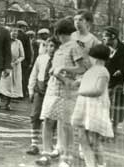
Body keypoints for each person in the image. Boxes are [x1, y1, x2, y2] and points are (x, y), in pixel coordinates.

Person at [35, 18, 86, 167]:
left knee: (65, 125)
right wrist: (54, 71)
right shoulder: (60, 48)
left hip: (67, 91)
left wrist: (64, 70)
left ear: (59, 33)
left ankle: (66, 158)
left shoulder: (75, 47)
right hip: (52, 89)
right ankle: (46, 154)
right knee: (47, 121)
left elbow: (81, 68)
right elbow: (55, 68)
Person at [71, 44, 114, 167]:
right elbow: (86, 79)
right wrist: (79, 82)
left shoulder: (103, 71)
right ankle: (90, 164)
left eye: (90, 57)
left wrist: (81, 91)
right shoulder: (91, 70)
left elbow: (98, 90)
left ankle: (101, 164)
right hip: (84, 106)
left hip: (96, 107)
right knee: (82, 138)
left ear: (96, 58)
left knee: (93, 140)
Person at [26, 37, 60, 156]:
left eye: (54, 47)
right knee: (35, 115)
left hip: (52, 92)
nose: (51, 49)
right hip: (39, 91)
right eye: (49, 46)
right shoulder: (41, 58)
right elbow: (34, 74)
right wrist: (30, 90)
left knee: (52, 118)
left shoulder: (59, 61)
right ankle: (34, 144)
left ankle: (50, 144)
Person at [102, 26, 124, 133]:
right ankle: (105, 129)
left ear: (113, 37)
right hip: (106, 83)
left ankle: (113, 130)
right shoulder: (104, 49)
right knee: (105, 106)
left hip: (120, 84)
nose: (103, 39)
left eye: (105, 37)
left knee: (117, 106)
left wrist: (121, 70)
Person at [0, 27, 25, 110]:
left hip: (15, 67)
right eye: (13, 34)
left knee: (11, 86)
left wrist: (16, 62)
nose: (14, 35)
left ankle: (7, 104)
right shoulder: (4, 41)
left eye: (16, 34)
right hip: (4, 65)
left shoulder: (19, 42)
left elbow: (22, 56)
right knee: (1, 84)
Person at [16, 20, 31, 98]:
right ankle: (22, 94)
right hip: (23, 60)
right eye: (25, 27)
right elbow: (28, 51)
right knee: (23, 77)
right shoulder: (25, 36)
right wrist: (29, 61)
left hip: (13, 60)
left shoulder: (13, 34)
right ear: (22, 27)